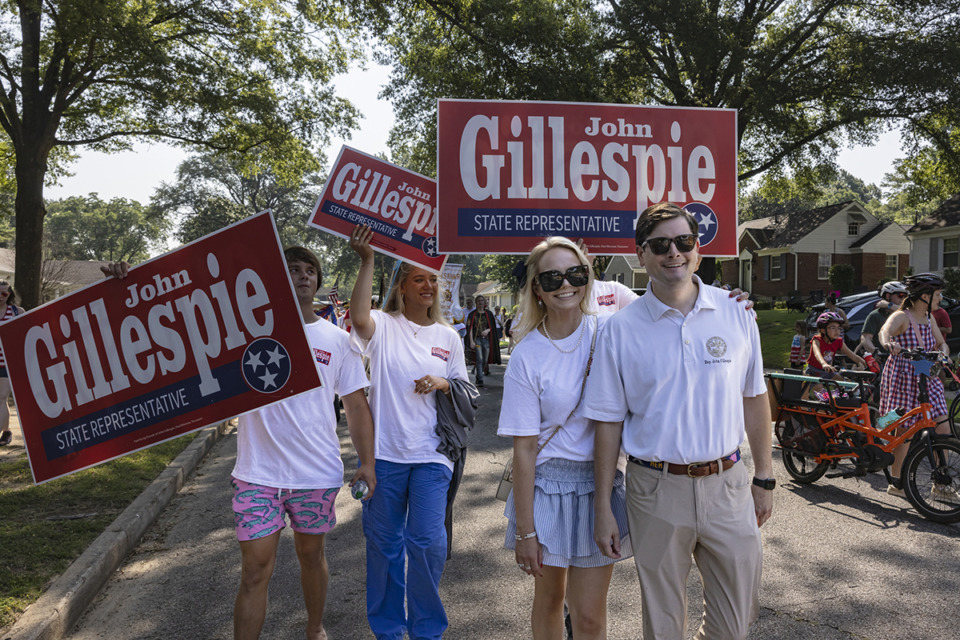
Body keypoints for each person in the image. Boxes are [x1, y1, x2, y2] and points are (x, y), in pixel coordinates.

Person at [103, 251, 377, 640]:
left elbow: (356, 405)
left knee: (311, 556)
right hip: (257, 474)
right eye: (293, 270)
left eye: (309, 271)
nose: (302, 277)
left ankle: (315, 629)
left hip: (315, 472)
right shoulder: (244, 331)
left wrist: (367, 462)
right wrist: (127, 288)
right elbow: (170, 330)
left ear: (318, 281)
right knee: (254, 571)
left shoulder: (337, 340)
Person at [587, 202, 774, 640]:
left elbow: (755, 397)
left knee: (735, 625)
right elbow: (608, 424)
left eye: (683, 241)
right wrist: (602, 509)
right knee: (664, 625)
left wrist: (764, 476)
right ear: (641, 256)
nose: (674, 252)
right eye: (660, 245)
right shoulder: (619, 330)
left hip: (727, 484)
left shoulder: (738, 313)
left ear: (698, 249)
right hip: (655, 488)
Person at [498, 237, 631, 640]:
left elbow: (669, 308)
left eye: (575, 273)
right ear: (537, 288)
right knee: (550, 600)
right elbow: (523, 450)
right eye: (552, 277)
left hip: (600, 484)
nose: (565, 284)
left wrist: (727, 302)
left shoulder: (611, 331)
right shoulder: (527, 355)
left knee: (590, 615)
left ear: (588, 277)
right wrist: (525, 531)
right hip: (547, 488)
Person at [348, 224, 470, 640]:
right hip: (385, 456)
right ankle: (388, 629)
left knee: (427, 544)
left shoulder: (448, 337)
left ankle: (426, 631)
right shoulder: (384, 325)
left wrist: (442, 382)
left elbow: (466, 390)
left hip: (433, 456)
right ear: (402, 287)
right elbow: (359, 317)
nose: (429, 285)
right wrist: (367, 261)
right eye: (419, 278)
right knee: (384, 547)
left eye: (433, 279)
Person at [877, 272, 953, 498]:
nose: (940, 298)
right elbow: (885, 331)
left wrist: (944, 353)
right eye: (937, 294)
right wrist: (889, 343)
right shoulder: (902, 316)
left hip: (928, 378)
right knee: (904, 430)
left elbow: (941, 343)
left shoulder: (930, 319)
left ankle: (942, 484)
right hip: (904, 378)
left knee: (943, 428)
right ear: (924, 296)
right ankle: (897, 483)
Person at [0, 281, 22, 447]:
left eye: (4, 294)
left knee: (1, 397)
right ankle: (6, 431)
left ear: (10, 294)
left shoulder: (16, 312)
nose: (0, 297)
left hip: (7, 363)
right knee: (2, 401)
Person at [860, 281, 908, 354]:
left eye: (906, 296)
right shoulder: (875, 315)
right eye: (901, 295)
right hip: (884, 358)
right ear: (888, 296)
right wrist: (875, 352)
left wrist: (889, 305)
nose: (903, 299)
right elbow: (865, 338)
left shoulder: (906, 315)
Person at [466, 294, 500, 388]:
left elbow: (492, 327)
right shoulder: (472, 314)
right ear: (476, 303)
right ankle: (480, 379)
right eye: (478, 301)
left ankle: (480, 372)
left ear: (484, 302)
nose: (480, 302)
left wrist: (488, 330)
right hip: (477, 340)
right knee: (479, 359)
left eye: (482, 301)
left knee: (485, 360)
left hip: (486, 340)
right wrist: (471, 341)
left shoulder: (489, 314)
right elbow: (470, 328)